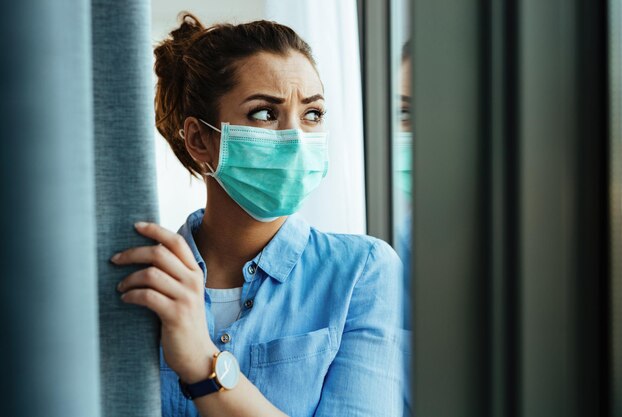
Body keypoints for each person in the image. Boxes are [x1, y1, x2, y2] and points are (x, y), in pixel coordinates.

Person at [110, 13, 404, 417]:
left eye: (312, 115)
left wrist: (201, 363)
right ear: (199, 139)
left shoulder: (362, 273)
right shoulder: (137, 279)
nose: (296, 138)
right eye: (265, 114)